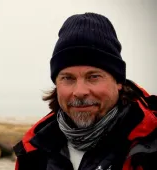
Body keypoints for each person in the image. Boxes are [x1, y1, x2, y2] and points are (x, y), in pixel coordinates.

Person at [13, 12, 157, 170]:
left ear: (118, 82)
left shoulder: (150, 145)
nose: (80, 92)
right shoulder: (33, 152)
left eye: (93, 77)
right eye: (68, 78)